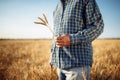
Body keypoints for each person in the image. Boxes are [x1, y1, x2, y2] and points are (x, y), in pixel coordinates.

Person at [50, 0, 104, 80]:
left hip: (77, 65)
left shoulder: (85, 1)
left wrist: (72, 39)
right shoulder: (57, 7)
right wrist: (52, 57)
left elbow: (98, 27)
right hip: (59, 65)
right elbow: (55, 35)